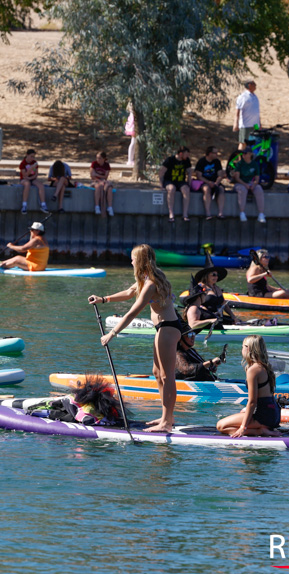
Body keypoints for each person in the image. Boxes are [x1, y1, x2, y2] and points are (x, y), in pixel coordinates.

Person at [90, 244, 184, 432]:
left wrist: (112, 333)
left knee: (167, 376)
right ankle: (167, 417)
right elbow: (128, 293)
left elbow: (133, 312)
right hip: (163, 328)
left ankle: (167, 422)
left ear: (140, 261)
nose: (131, 261)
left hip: (168, 328)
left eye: (133, 258)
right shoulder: (147, 279)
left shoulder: (151, 284)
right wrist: (103, 299)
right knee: (157, 374)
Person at [216, 336, 281, 437]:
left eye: (242, 347)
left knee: (221, 426)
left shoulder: (253, 370)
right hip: (274, 414)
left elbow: (252, 401)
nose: (241, 350)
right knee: (243, 412)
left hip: (264, 416)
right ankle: (262, 428)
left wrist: (243, 427)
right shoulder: (264, 366)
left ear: (248, 348)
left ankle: (261, 431)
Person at [183, 265, 232, 330]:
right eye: (213, 274)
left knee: (236, 320)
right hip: (205, 317)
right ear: (206, 275)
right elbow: (194, 300)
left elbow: (224, 304)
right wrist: (205, 311)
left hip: (217, 317)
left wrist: (233, 317)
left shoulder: (217, 288)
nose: (216, 277)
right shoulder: (200, 287)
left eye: (217, 275)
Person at [231, 147, 266, 223]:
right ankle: (242, 212)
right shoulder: (240, 164)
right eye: (243, 153)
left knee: (259, 189)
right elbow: (237, 178)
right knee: (242, 190)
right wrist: (245, 184)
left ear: (250, 154)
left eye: (245, 153)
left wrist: (254, 184)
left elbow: (257, 178)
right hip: (240, 183)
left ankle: (261, 214)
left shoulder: (254, 164)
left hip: (251, 183)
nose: (243, 155)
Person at [192, 146, 226, 220]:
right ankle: (208, 213)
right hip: (204, 181)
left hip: (215, 182)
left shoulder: (217, 162)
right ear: (210, 153)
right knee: (206, 189)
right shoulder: (202, 161)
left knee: (221, 189)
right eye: (215, 153)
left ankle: (220, 213)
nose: (217, 155)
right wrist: (208, 182)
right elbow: (199, 176)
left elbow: (220, 174)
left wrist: (216, 183)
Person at [159, 147, 191, 222]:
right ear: (180, 154)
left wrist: (189, 184)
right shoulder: (169, 160)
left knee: (186, 190)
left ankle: (185, 214)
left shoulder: (186, 160)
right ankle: (171, 213)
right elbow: (161, 173)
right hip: (169, 180)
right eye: (186, 155)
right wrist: (161, 185)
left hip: (180, 181)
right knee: (171, 189)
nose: (187, 157)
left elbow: (189, 172)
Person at [233, 79, 260, 151]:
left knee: (254, 142)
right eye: (254, 84)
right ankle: (240, 159)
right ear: (249, 85)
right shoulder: (243, 97)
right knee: (243, 143)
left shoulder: (255, 96)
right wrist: (236, 123)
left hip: (255, 125)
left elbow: (256, 111)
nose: (255, 85)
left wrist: (260, 123)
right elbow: (237, 111)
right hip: (246, 125)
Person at [18, 149, 48, 214]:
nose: (32, 158)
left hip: (32, 178)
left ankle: (43, 204)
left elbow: (36, 174)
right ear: (27, 155)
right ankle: (24, 205)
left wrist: (31, 177)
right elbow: (24, 175)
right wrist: (31, 168)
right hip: (24, 179)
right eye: (31, 156)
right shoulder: (23, 163)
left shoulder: (34, 163)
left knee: (41, 186)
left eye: (33, 157)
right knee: (27, 184)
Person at [90, 151, 115, 216]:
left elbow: (106, 176)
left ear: (104, 159)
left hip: (104, 181)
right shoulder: (94, 164)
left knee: (109, 188)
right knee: (98, 187)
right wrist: (99, 178)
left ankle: (110, 207)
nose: (98, 160)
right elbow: (92, 176)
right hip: (96, 181)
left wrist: (96, 174)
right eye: (97, 158)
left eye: (100, 158)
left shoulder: (107, 165)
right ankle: (97, 206)